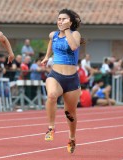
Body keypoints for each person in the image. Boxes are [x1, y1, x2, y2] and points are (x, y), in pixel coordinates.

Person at [41, 9, 82, 153]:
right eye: (59, 19)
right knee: (51, 95)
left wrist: (67, 31)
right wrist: (47, 57)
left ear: (70, 22)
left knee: (70, 113)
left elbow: (73, 46)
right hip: (56, 75)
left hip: (71, 79)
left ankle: (72, 137)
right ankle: (51, 128)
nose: (60, 21)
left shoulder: (75, 34)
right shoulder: (53, 35)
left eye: (64, 19)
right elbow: (50, 43)